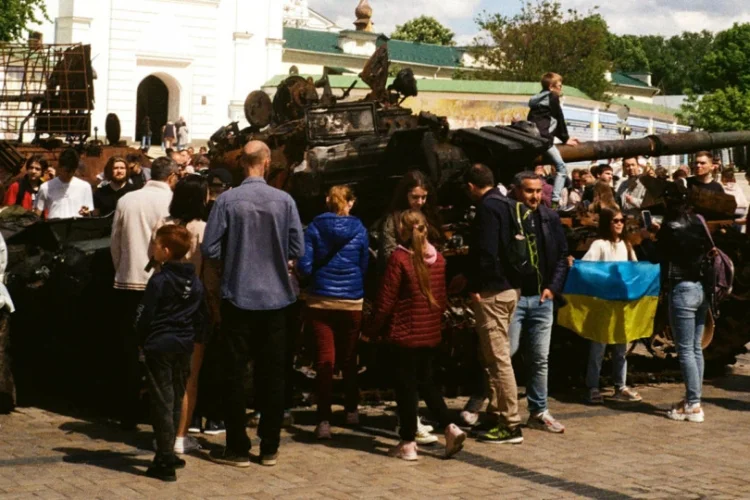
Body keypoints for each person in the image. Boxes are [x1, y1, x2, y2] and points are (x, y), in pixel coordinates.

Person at [202, 140, 303, 467]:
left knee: (234, 374)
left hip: (238, 296)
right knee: (273, 375)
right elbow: (297, 248)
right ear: (268, 162)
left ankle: (237, 447)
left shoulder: (227, 201)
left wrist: (235, 258)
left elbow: (211, 249)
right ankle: (270, 446)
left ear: (241, 163)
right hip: (276, 300)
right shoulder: (285, 200)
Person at [365, 209, 466, 460]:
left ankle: (408, 442)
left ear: (402, 230)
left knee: (406, 388)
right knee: (427, 382)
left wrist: (371, 331)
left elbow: (386, 301)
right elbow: (441, 300)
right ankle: (450, 426)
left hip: (404, 332)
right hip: (429, 332)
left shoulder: (400, 258)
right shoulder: (439, 259)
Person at [151, 175, 221, 452]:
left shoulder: (163, 225)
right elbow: (210, 272)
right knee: (189, 376)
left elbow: (153, 260)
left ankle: (162, 433)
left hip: (164, 301)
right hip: (194, 303)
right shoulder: (203, 228)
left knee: (163, 377)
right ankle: (180, 436)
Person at [111, 157, 179, 429]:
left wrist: (122, 269)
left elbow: (115, 243)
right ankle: (157, 409)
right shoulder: (170, 202)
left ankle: (127, 408)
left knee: (129, 347)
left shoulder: (127, 199)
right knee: (159, 350)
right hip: (158, 284)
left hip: (127, 282)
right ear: (172, 177)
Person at [297, 186, 369, 439]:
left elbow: (304, 267)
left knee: (324, 361)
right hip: (351, 302)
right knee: (349, 359)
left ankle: (323, 421)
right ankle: (351, 410)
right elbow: (364, 265)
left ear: (328, 202)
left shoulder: (314, 228)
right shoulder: (360, 228)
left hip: (321, 300)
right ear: (349, 203)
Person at [136, 224, 206, 481]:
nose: (153, 249)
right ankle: (172, 450)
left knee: (162, 400)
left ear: (165, 250)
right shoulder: (194, 279)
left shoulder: (160, 280)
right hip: (184, 344)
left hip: (161, 344)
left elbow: (144, 314)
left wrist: (140, 338)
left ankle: (164, 457)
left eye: (155, 245)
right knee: (176, 396)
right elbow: (200, 314)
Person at [462, 164, 523, 444]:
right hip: (510, 289)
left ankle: (511, 424)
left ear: (472, 186)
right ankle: (496, 413)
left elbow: (486, 252)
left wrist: (474, 286)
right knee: (494, 357)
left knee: (498, 360)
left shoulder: (487, 208)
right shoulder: (508, 204)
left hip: (492, 292)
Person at [507, 172, 569, 433]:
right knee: (504, 355)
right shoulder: (509, 217)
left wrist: (552, 288)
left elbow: (562, 255)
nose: (534, 196)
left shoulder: (549, 217)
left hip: (542, 298)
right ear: (517, 191)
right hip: (516, 297)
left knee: (540, 358)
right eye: (529, 191)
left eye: (537, 191)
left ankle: (539, 410)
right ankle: (487, 407)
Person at [655, 183, 712, 422]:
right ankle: (693, 399)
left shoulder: (669, 226)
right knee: (696, 348)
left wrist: (652, 236)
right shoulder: (698, 220)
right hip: (701, 289)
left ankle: (693, 404)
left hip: (682, 289)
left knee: (685, 350)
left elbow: (656, 256)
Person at [582, 207, 642, 404]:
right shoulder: (600, 244)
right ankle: (592, 386)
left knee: (620, 348)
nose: (619, 224)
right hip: (603, 303)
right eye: (614, 220)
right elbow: (586, 268)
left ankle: (620, 385)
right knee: (598, 348)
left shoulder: (626, 245)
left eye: (621, 220)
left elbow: (635, 269)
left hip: (621, 303)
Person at [527, 72, 579, 208]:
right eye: (559, 86)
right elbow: (559, 117)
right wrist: (565, 138)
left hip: (532, 136)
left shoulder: (537, 100)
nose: (560, 89)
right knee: (561, 168)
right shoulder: (552, 97)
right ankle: (555, 200)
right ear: (551, 86)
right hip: (544, 139)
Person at [377, 170, 442, 276]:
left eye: (424, 197)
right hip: (404, 275)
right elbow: (388, 253)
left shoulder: (429, 214)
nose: (420, 202)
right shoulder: (393, 220)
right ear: (405, 195)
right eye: (415, 197)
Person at [34, 148, 93, 219]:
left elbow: (89, 214)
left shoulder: (85, 187)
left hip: (76, 228)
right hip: (53, 227)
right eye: (66, 171)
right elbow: (37, 215)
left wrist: (87, 213)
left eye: (72, 171)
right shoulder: (45, 187)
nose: (69, 174)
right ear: (59, 167)